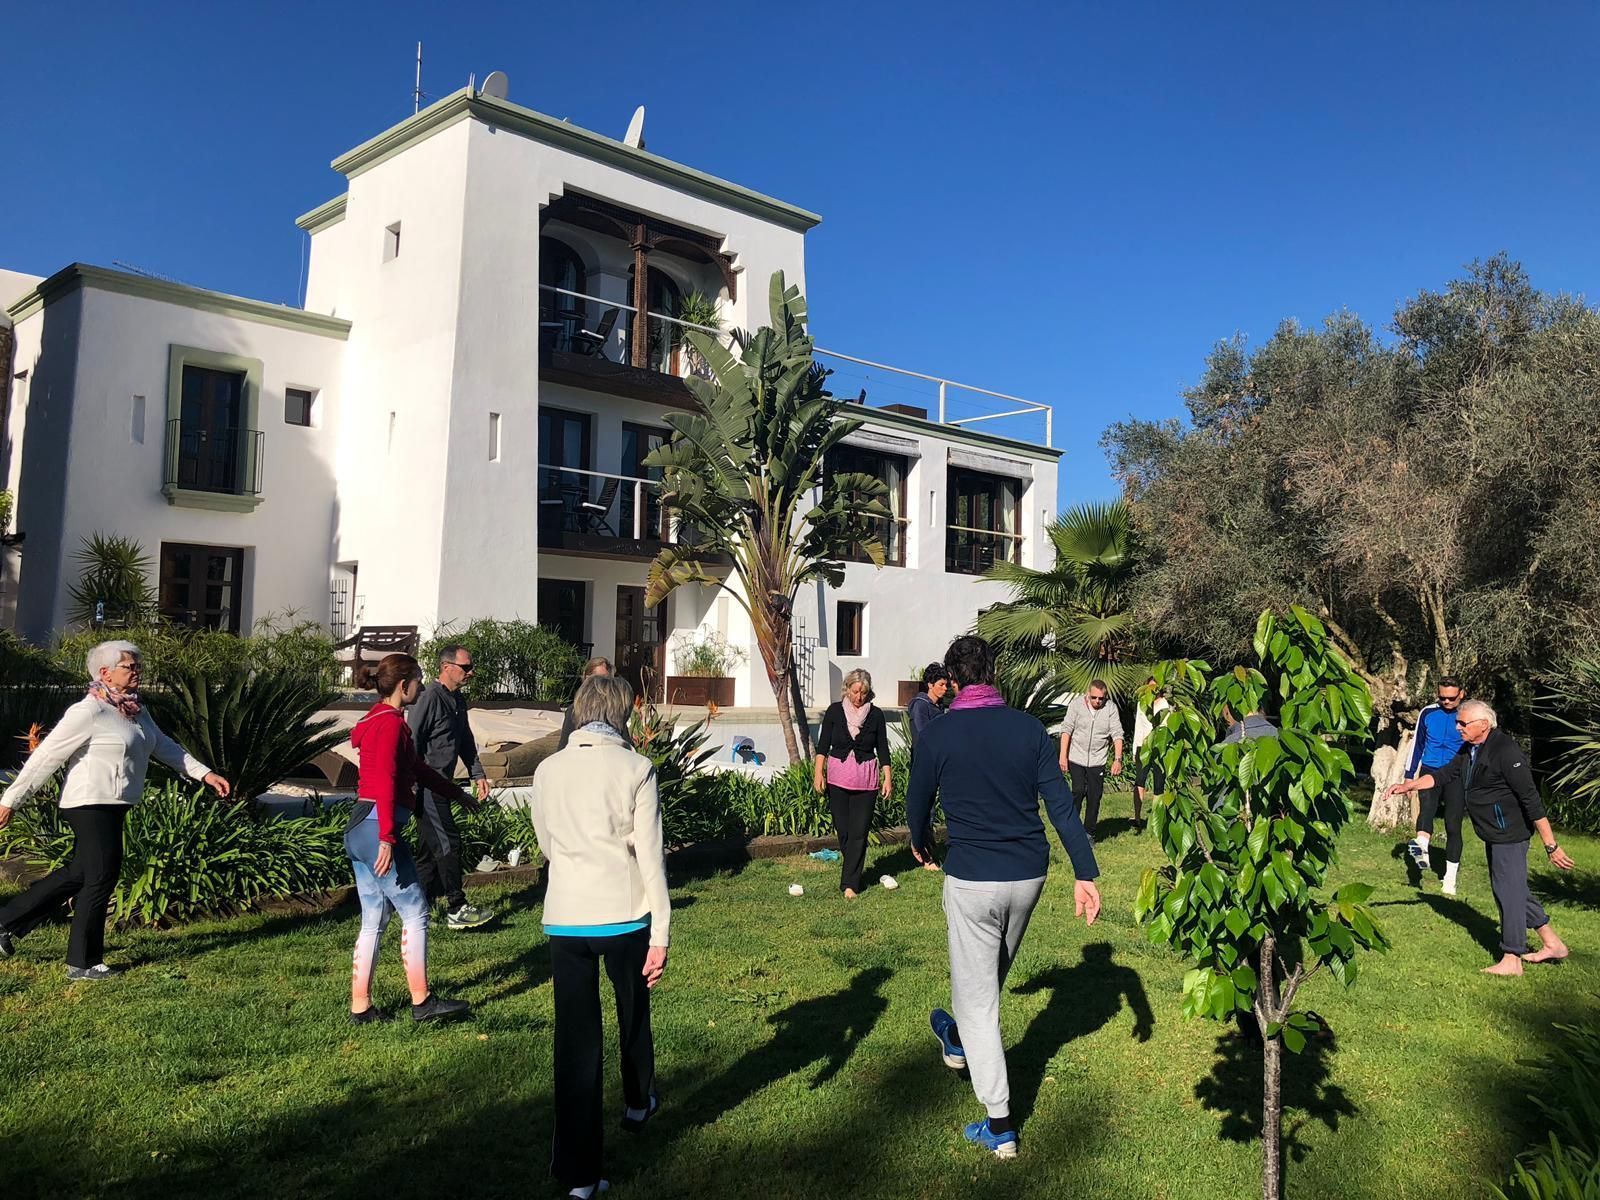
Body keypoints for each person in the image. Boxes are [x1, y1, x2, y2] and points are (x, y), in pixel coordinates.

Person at [907, 635, 1101, 1159]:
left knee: (978, 1006)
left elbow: (917, 802)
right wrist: (1085, 873)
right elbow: (1061, 806)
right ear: (993, 672)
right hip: (1027, 878)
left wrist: (919, 841)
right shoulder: (1029, 729)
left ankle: (1000, 1123)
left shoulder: (939, 734)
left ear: (951, 679)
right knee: (985, 980)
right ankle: (958, 1037)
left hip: (973, 879)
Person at [0, 641, 230, 979]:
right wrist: (10, 801)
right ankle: (83, 962)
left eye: (137, 666)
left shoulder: (134, 710)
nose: (136, 671)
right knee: (101, 877)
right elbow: (46, 757)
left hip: (113, 804)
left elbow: (164, 746)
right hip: (89, 802)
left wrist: (204, 773)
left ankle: (6, 922)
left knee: (79, 874)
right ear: (104, 673)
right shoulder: (89, 711)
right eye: (129, 666)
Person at [530, 673, 671, 1200]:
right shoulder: (636, 768)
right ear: (623, 714)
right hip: (625, 914)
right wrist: (662, 932)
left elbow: (546, 843)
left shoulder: (548, 770)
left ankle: (580, 1174)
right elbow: (652, 860)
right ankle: (638, 1101)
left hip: (566, 917)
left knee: (575, 1043)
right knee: (633, 1008)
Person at [1384, 700, 1576, 976]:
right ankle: (1553, 943)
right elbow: (1444, 775)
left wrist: (1551, 845)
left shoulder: (1504, 750)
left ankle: (1512, 957)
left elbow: (1530, 798)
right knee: (1514, 889)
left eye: (1463, 723)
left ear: (1483, 725)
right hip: (1492, 832)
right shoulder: (1470, 748)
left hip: (1509, 833)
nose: (1458, 727)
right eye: (1458, 723)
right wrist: (1410, 785)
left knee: (1506, 892)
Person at [346, 653, 474, 1024]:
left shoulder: (379, 721)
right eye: (417, 678)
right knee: (416, 911)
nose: (421, 683)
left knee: (374, 917)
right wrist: (387, 837)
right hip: (375, 829)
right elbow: (385, 781)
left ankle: (361, 1007)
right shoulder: (389, 726)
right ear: (404, 686)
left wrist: (456, 794)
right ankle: (422, 1001)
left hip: (360, 829)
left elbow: (417, 769)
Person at [406, 643, 492, 930]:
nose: (471, 672)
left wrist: (477, 773)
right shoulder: (429, 698)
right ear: (447, 667)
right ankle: (456, 906)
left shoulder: (457, 700)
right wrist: (412, 784)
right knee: (447, 843)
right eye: (466, 667)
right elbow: (412, 741)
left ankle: (417, 908)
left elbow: (465, 739)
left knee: (429, 852)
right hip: (428, 786)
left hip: (445, 784)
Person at [813, 669, 893, 898]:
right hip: (838, 780)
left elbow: (883, 749)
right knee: (845, 833)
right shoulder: (834, 712)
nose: (859, 697)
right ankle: (853, 872)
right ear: (847, 689)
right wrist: (818, 773)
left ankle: (850, 884)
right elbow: (823, 746)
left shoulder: (876, 715)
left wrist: (888, 777)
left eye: (864, 692)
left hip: (866, 782)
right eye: (856, 691)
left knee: (859, 833)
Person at [1403, 677, 1469, 894]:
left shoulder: (1468, 714)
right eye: (1442, 698)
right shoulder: (1428, 713)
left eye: (1451, 698)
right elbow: (1417, 744)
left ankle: (1450, 878)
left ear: (1462, 694)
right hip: (1429, 770)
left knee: (1452, 824)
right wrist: (1409, 775)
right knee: (1427, 809)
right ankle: (1421, 847)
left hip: (1456, 773)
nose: (1447, 702)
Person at [1057, 679, 1123, 838]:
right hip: (1077, 757)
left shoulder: (1110, 708)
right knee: (1078, 791)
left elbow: (1117, 734)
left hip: (1097, 760)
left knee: (1094, 796)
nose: (1097, 701)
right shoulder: (1077, 705)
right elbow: (1067, 730)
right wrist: (1062, 756)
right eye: (1094, 697)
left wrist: (1118, 759)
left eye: (1101, 698)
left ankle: (1088, 833)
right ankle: (1072, 828)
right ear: (1088, 694)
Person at [1130, 676, 1170, 830]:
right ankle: (1137, 817)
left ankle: (1156, 819)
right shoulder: (1142, 703)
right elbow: (1138, 726)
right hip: (1143, 746)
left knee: (1159, 783)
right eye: (1150, 687)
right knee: (1140, 780)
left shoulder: (1165, 704)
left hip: (1159, 747)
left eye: (1155, 687)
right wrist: (1135, 749)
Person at [558, 657, 613, 750]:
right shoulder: (575, 710)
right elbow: (563, 746)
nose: (602, 683)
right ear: (586, 678)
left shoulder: (614, 710)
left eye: (606, 678)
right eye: (598, 678)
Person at [907, 662, 952, 744]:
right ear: (930, 685)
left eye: (946, 685)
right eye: (941, 684)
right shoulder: (920, 706)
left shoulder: (941, 706)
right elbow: (922, 732)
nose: (945, 688)